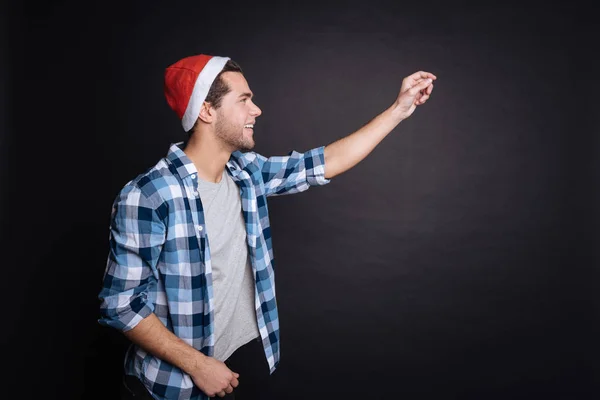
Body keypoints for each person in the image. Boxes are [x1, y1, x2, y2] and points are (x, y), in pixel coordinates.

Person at [98, 53, 436, 400]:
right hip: (174, 386)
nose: (256, 110)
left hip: (239, 363)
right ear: (206, 111)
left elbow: (323, 164)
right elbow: (120, 305)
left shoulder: (246, 173)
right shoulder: (149, 195)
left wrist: (398, 109)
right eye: (244, 100)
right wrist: (199, 366)